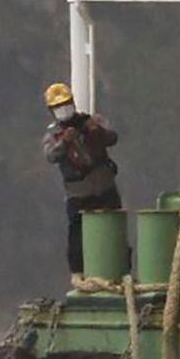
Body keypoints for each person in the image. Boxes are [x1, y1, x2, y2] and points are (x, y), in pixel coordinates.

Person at [42, 83, 120, 271]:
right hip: (78, 196)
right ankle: (79, 274)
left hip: (105, 189)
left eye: (66, 105)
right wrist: (65, 142)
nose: (64, 111)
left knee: (114, 232)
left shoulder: (93, 121)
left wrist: (97, 132)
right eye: (58, 108)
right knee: (77, 239)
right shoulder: (53, 135)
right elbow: (50, 156)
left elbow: (113, 138)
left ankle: (118, 268)